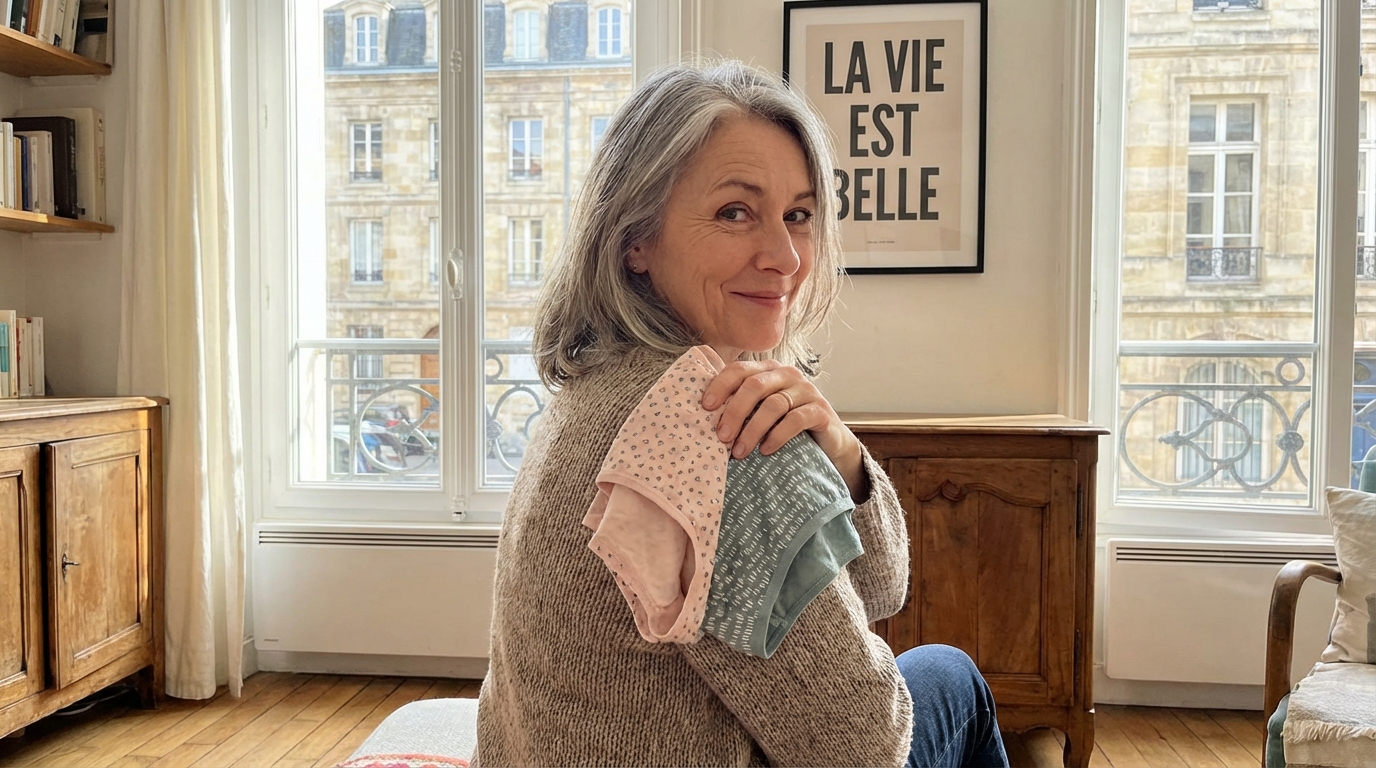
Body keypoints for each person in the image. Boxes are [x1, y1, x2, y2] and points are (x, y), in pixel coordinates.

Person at [473, 60, 1009, 768]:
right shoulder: (716, 431)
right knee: (953, 677)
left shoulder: (594, 385)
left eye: (799, 215)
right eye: (735, 212)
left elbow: (880, 585)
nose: (785, 257)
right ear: (635, 238)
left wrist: (843, 457)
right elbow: (864, 748)